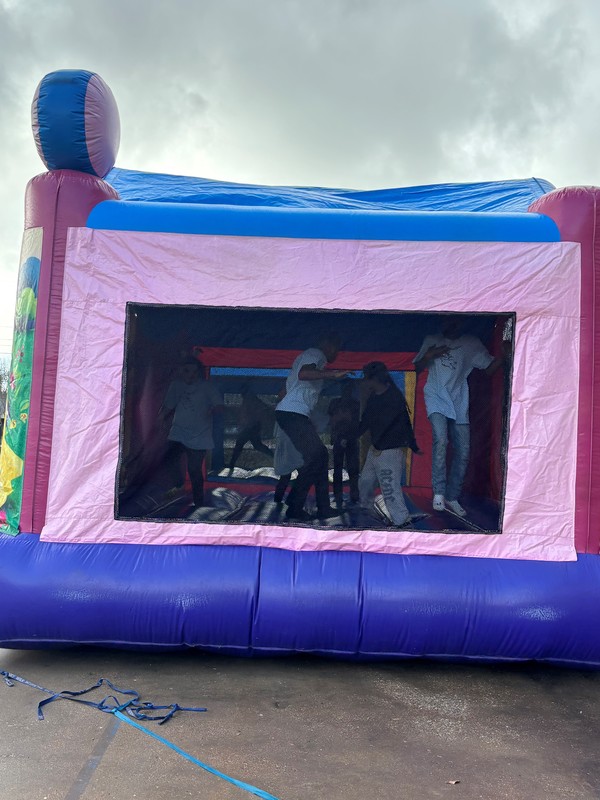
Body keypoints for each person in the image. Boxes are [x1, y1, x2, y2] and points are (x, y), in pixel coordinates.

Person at [413, 316, 504, 517]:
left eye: (454, 321)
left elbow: (488, 369)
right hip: (436, 397)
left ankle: (452, 496)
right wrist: (430, 354)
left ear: (461, 322)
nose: (449, 325)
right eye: (446, 321)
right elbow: (417, 367)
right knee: (441, 440)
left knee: (463, 450)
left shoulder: (471, 343)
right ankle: (438, 492)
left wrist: (505, 356)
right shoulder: (432, 339)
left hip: (458, 400)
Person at [275, 333, 350, 522]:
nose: (337, 353)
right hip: (293, 414)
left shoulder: (309, 359)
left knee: (320, 457)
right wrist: (332, 374)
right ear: (326, 344)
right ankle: (295, 504)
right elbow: (304, 373)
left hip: (293, 413)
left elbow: (285, 389)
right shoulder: (315, 354)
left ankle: (322, 506)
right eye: (336, 347)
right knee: (317, 456)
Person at [358, 361, 421, 527]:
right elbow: (365, 421)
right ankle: (365, 507)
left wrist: (412, 444)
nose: (365, 382)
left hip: (389, 451)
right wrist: (350, 436)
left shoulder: (393, 397)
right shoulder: (374, 398)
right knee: (365, 481)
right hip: (376, 449)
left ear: (375, 379)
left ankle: (401, 520)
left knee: (389, 487)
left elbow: (405, 423)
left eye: (366, 378)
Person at [160, 358, 223, 508]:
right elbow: (168, 405)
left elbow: (220, 405)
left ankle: (198, 502)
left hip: (199, 435)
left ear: (199, 373)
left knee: (194, 469)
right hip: (179, 432)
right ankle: (179, 483)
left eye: (194, 372)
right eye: (187, 371)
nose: (191, 375)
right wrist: (160, 418)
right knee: (169, 458)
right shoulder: (176, 386)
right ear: (182, 372)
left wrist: (212, 410)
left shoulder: (207, 387)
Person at [327, 381, 360, 509]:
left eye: (349, 389)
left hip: (350, 438)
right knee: (340, 468)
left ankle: (351, 493)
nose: (347, 392)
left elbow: (355, 422)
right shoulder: (336, 403)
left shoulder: (353, 404)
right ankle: (340, 494)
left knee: (350, 468)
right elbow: (332, 421)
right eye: (345, 389)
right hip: (342, 438)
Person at [227, 386, 273, 474]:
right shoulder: (250, 400)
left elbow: (259, 411)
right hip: (251, 426)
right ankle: (231, 464)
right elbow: (245, 415)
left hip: (252, 427)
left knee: (241, 444)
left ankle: (231, 464)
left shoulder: (252, 400)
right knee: (255, 445)